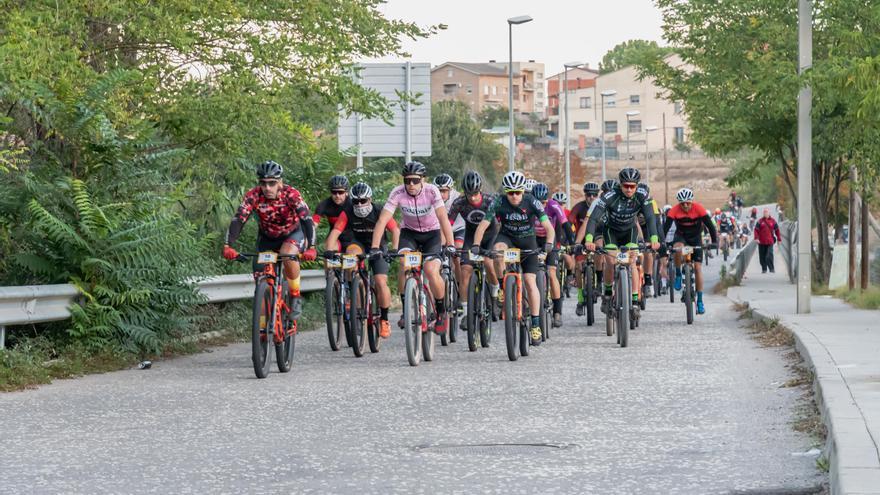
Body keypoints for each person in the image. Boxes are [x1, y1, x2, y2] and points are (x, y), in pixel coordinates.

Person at [222, 160, 316, 318]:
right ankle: (264, 332)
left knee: (287, 253)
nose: (267, 188)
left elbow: (307, 219)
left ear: (280, 182)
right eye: (263, 183)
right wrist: (227, 245)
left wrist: (312, 246)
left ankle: (295, 295)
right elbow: (239, 219)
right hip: (267, 238)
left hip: (292, 234)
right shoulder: (254, 195)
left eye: (272, 183)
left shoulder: (291, 194)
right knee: (261, 284)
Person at [370, 161, 456, 334]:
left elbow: (443, 218)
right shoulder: (397, 192)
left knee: (431, 270)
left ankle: (441, 312)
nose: (411, 184)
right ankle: (406, 307)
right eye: (407, 180)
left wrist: (451, 244)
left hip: (432, 234)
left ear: (423, 179)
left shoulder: (432, 191)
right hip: (409, 234)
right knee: (404, 265)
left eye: (415, 180)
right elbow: (382, 220)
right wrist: (374, 247)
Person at [473, 171, 555, 346]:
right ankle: (503, 285)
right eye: (510, 193)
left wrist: (548, 243)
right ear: (506, 192)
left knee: (529, 282)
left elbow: (549, 227)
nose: (514, 196)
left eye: (518, 192)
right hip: (507, 238)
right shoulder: (499, 201)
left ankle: (535, 324)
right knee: (497, 251)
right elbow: (483, 224)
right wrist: (476, 244)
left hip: (528, 241)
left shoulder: (531, 201)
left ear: (523, 191)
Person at [325, 182, 400, 338]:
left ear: (370, 199)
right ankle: (356, 296)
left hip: (378, 246)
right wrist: (330, 250)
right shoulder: (347, 212)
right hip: (358, 244)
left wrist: (394, 249)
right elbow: (335, 233)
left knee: (380, 281)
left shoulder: (380, 210)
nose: (359, 204)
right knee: (350, 255)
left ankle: (384, 319)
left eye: (363, 201)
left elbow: (395, 230)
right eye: (356, 201)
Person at [583, 168, 660, 315]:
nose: (629, 189)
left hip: (630, 231)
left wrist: (654, 239)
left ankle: (635, 301)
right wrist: (588, 240)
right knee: (611, 262)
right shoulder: (611, 195)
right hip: (611, 231)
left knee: (632, 263)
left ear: (637, 185)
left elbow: (650, 218)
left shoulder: (642, 195)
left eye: (632, 186)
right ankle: (606, 292)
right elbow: (593, 219)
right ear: (620, 185)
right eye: (626, 186)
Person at [447, 171, 500, 329]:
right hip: (471, 237)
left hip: (491, 235)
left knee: (489, 264)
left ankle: (495, 297)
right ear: (464, 192)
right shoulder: (459, 203)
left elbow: (501, 221)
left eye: (476, 193)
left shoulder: (491, 201)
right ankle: (465, 313)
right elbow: (447, 224)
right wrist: (446, 243)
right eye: (469, 194)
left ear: (481, 190)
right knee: (465, 272)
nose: (473, 197)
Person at [663, 188, 717, 315]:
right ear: (679, 203)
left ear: (692, 202)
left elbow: (710, 225)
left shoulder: (699, 209)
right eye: (682, 203)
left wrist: (714, 242)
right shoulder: (674, 210)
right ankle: (677, 274)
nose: (685, 205)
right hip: (681, 236)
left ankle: (700, 301)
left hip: (696, 238)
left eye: (688, 203)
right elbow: (665, 228)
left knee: (698, 268)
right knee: (677, 248)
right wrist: (662, 243)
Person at [532, 183, 574, 327]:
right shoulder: (529, 205)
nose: (541, 206)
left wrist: (572, 243)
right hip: (534, 240)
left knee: (551, 272)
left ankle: (557, 312)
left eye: (543, 203)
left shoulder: (554, 205)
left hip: (551, 240)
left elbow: (566, 224)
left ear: (547, 199)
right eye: (538, 203)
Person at [570, 182, 601, 316]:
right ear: (585, 195)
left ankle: (600, 282)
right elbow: (569, 221)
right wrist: (574, 242)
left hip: (597, 238)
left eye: (594, 195)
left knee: (602, 257)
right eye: (589, 195)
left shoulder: (600, 206)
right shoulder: (579, 207)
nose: (591, 197)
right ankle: (581, 298)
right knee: (578, 266)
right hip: (582, 239)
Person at [754, 208, 781, 273]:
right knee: (762, 256)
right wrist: (756, 238)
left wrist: (779, 239)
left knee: (769, 255)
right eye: (764, 212)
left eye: (766, 212)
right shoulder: (760, 221)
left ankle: (771, 268)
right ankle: (764, 269)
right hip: (761, 242)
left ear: (769, 213)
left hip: (770, 241)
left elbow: (777, 230)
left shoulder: (773, 221)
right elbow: (756, 230)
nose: (765, 213)